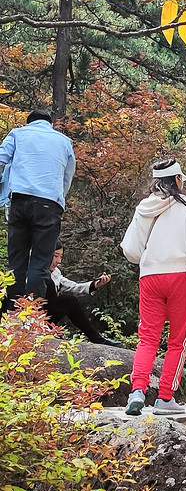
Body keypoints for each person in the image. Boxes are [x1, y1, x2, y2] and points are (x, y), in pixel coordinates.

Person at [120, 158, 186, 416]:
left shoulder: (144, 206)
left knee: (147, 337)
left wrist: (150, 259)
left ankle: (136, 391)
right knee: (177, 341)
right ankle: (164, 398)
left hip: (150, 277)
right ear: (177, 180)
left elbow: (130, 249)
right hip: (182, 276)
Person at [0, 109, 76, 302]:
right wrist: (59, 200)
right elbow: (67, 177)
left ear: (29, 122)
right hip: (49, 205)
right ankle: (32, 318)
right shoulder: (64, 142)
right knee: (40, 263)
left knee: (17, 262)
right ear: (50, 123)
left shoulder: (18, 134)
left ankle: (14, 316)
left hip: (19, 201)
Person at [45, 241, 122, 346]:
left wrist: (95, 284)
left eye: (61, 257)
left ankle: (97, 338)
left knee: (69, 301)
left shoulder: (56, 272)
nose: (59, 261)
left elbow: (72, 287)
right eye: (55, 256)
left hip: (48, 318)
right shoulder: (31, 273)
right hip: (33, 320)